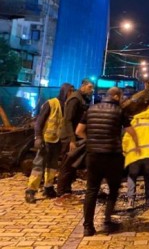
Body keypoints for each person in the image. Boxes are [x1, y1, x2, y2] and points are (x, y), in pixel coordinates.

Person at [76, 87, 139, 236]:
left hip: (93, 156)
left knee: (91, 190)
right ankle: (107, 221)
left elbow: (78, 131)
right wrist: (136, 145)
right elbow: (131, 131)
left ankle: (88, 227)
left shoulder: (90, 110)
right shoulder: (119, 111)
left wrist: (90, 140)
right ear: (116, 96)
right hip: (113, 156)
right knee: (113, 189)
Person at [24, 83, 74, 203]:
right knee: (38, 165)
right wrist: (38, 137)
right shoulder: (51, 103)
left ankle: (48, 187)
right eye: (70, 91)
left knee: (52, 166)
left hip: (57, 141)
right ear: (65, 91)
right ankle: (31, 191)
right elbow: (39, 122)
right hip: (46, 140)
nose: (71, 93)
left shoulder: (66, 105)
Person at [54, 78, 94, 206]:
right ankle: (61, 194)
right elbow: (68, 120)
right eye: (90, 87)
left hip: (75, 137)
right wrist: (72, 140)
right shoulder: (75, 99)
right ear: (83, 86)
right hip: (69, 138)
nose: (91, 90)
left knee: (71, 166)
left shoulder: (81, 98)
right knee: (66, 165)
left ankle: (67, 192)